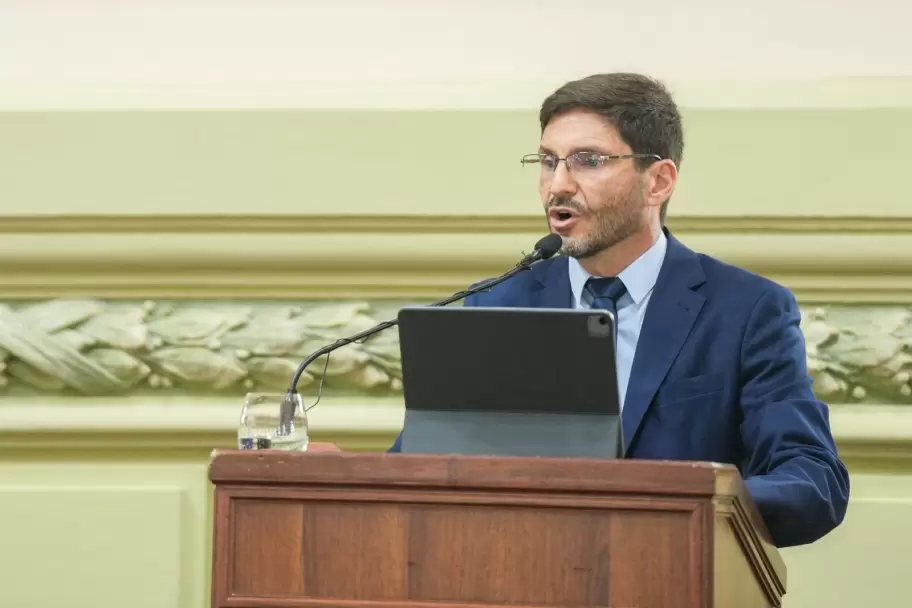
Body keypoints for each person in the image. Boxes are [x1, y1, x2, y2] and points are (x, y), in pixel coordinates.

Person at [387, 72, 849, 548]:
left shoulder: (746, 310)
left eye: (587, 161)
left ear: (659, 182)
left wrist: (684, 510)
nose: (557, 186)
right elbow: (417, 469)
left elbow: (812, 482)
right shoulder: (495, 303)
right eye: (548, 162)